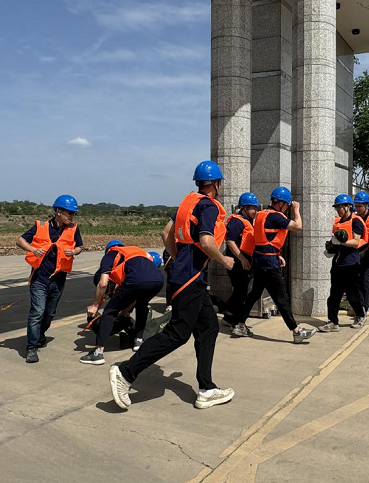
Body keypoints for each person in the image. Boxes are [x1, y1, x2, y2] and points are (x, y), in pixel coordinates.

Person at [109, 161, 235, 410]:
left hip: (187, 276)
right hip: (190, 279)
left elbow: (166, 234)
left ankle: (207, 389)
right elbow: (206, 241)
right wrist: (224, 260)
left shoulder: (188, 204)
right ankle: (125, 372)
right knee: (178, 334)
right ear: (217, 184)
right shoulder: (209, 206)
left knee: (209, 327)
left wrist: (179, 260)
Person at [232, 187, 318, 344]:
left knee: (254, 294)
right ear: (280, 203)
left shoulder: (261, 214)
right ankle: (296, 332)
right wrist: (296, 210)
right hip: (269, 265)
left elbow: (265, 239)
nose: (287, 209)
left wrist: (277, 255)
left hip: (260, 261)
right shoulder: (275, 217)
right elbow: (298, 226)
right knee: (281, 298)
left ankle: (240, 325)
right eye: (286, 206)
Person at [16, 194, 82, 364]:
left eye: (74, 213)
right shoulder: (41, 226)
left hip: (59, 280)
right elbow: (20, 240)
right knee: (37, 312)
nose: (72, 216)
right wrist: (32, 249)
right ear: (58, 212)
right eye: (69, 213)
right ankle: (31, 347)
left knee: (49, 313)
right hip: (40, 279)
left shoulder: (73, 229)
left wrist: (74, 251)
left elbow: (79, 246)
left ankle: (40, 335)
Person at [80, 241, 164, 365]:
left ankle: (98, 353)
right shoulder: (136, 251)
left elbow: (103, 283)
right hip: (158, 280)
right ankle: (138, 341)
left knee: (109, 312)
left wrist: (95, 305)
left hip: (136, 280)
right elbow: (135, 294)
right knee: (142, 305)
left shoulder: (111, 254)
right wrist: (125, 311)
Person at [319, 194, 367, 332]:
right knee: (334, 294)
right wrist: (331, 248)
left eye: (339, 207)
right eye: (336, 208)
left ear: (347, 207)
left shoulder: (356, 221)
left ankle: (360, 315)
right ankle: (333, 322)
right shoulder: (338, 223)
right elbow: (335, 241)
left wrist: (341, 242)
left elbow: (356, 242)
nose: (337, 210)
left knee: (353, 293)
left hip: (351, 263)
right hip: (338, 262)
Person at [223, 192, 260, 337]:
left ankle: (228, 314)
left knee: (240, 291)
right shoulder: (236, 222)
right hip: (236, 263)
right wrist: (243, 259)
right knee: (241, 292)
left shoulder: (248, 220)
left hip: (244, 262)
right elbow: (230, 242)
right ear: (244, 208)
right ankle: (235, 322)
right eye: (252, 208)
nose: (255, 211)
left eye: (256, 208)